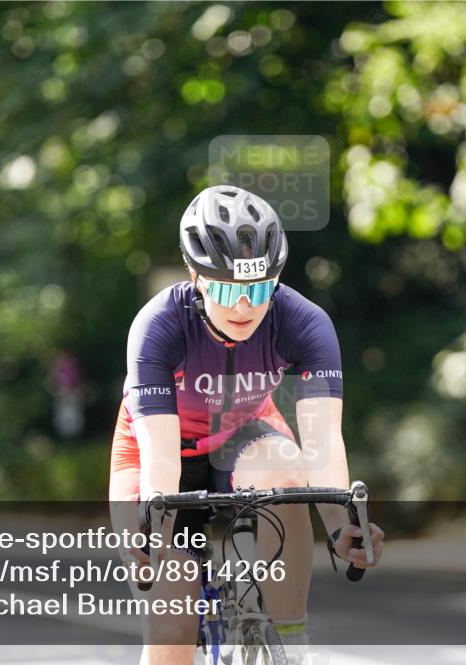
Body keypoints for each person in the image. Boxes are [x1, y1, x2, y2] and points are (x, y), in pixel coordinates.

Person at [108, 185, 384, 665]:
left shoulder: (304, 321)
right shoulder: (157, 325)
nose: (244, 307)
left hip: (245, 438)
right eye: (227, 289)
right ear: (196, 277)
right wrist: (152, 535)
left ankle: (289, 641)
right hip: (161, 454)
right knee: (171, 621)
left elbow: (322, 443)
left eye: (258, 289)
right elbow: (159, 462)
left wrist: (342, 528)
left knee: (287, 476)